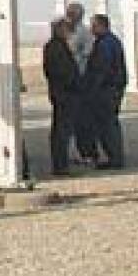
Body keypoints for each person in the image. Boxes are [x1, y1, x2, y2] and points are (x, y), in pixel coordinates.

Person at [85, 14, 128, 169]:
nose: (91, 29)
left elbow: (103, 68)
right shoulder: (111, 41)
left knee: (107, 124)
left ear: (102, 26)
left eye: (93, 25)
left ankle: (115, 157)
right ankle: (114, 156)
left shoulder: (105, 44)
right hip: (112, 88)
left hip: (107, 90)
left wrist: (93, 88)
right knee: (109, 123)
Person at [42, 18, 81, 176]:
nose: (68, 32)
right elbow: (60, 71)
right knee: (61, 131)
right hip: (64, 94)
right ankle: (60, 166)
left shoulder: (58, 46)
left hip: (63, 93)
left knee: (63, 130)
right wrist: (73, 83)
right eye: (66, 29)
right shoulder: (55, 47)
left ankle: (62, 164)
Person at [63, 2, 98, 164]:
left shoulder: (84, 33)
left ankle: (87, 152)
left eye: (72, 13)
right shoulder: (66, 31)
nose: (69, 16)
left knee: (83, 119)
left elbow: (88, 53)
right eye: (68, 13)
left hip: (80, 79)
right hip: (68, 81)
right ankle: (73, 151)